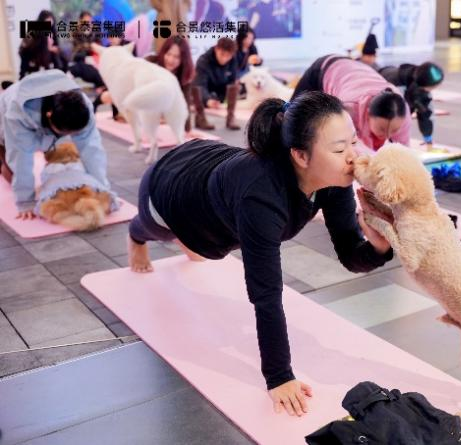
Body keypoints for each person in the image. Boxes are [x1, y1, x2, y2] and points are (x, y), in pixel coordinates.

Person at [126, 91, 393, 416]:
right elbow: (265, 293)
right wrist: (279, 377)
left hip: (215, 183)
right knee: (157, 229)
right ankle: (135, 236)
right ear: (301, 156)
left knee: (207, 248)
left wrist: (379, 247)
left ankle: (189, 240)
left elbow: (350, 254)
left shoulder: (334, 179)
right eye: (339, 149)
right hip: (169, 186)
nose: (353, 156)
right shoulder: (262, 197)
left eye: (353, 142)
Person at [0, 70, 112, 219]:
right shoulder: (17, 114)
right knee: (10, 171)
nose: (69, 136)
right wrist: (25, 202)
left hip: (45, 116)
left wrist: (103, 189)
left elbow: (92, 149)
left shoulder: (82, 106)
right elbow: (20, 158)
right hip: (4, 119)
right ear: (49, 115)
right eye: (65, 132)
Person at [291, 55, 410, 151]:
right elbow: (343, 149)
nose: (388, 136)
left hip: (355, 71)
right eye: (382, 129)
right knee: (291, 121)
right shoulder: (349, 108)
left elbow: (404, 154)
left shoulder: (401, 112)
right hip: (325, 69)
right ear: (368, 113)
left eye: (394, 130)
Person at [145, 36, 214, 131]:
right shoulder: (150, 63)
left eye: (176, 57)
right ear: (163, 52)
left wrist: (187, 130)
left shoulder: (185, 74)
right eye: (168, 54)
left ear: (183, 59)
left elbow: (185, 104)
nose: (171, 60)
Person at [378, 62, 444, 147]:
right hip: (381, 84)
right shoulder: (396, 89)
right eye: (433, 87)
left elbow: (426, 113)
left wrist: (428, 138)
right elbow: (393, 121)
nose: (432, 89)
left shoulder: (421, 81)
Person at [194, 37, 242, 130]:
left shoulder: (233, 60)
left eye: (228, 56)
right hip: (207, 89)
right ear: (216, 49)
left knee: (235, 86)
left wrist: (227, 99)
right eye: (222, 54)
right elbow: (200, 84)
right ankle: (200, 118)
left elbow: (232, 81)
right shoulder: (203, 60)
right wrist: (207, 100)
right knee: (195, 88)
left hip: (222, 89)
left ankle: (230, 117)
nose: (224, 58)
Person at [18, 10, 67, 79]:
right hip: (33, 51)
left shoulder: (52, 30)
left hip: (47, 52)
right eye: (48, 20)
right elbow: (29, 46)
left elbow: (56, 44)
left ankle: (61, 74)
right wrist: (48, 47)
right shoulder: (34, 30)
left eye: (51, 20)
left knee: (60, 55)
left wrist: (52, 48)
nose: (50, 22)